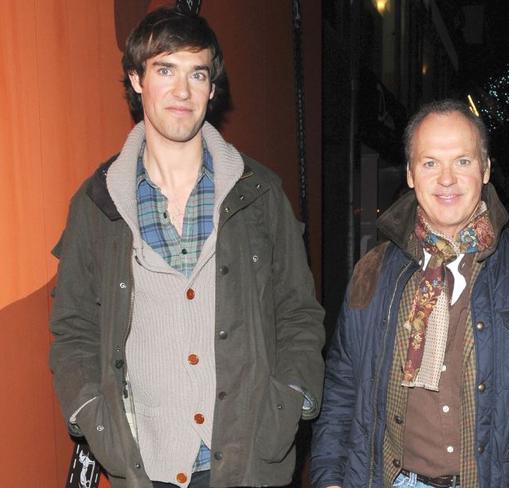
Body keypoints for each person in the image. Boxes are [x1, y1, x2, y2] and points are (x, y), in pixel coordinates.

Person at [49, 7, 325, 488]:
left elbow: (299, 313)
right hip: (145, 464)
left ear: (212, 87)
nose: (182, 91)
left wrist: (292, 400)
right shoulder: (96, 204)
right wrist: (90, 414)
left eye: (197, 73)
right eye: (164, 70)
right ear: (136, 80)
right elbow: (73, 328)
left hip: (249, 463)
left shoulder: (260, 195)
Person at [310, 99, 509, 488]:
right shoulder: (373, 270)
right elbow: (342, 385)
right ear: (411, 174)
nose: (446, 179)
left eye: (462, 161)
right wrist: (328, 478)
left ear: (486, 169)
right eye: (430, 163)